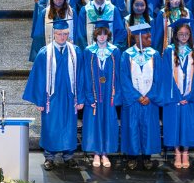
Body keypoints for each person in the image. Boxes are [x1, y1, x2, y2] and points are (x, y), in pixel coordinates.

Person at [24, 19, 83, 170]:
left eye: (65, 34)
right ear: (53, 34)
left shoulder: (75, 52)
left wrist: (81, 98)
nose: (62, 37)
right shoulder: (45, 53)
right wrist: (39, 101)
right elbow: (38, 78)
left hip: (70, 97)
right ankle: (49, 157)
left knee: (69, 126)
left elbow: (82, 77)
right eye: (59, 34)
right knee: (51, 126)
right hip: (51, 98)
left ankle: (68, 156)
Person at [118, 22, 170, 170]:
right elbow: (124, 78)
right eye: (147, 37)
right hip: (133, 101)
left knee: (148, 127)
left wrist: (150, 96)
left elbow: (158, 79)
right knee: (132, 127)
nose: (150, 39)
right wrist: (136, 96)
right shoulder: (126, 55)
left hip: (149, 101)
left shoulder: (154, 55)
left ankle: (147, 157)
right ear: (138, 38)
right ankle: (132, 157)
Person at [79, 20, 121, 169]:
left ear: (108, 35)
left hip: (109, 93)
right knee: (94, 123)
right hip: (94, 94)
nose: (102, 37)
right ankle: (96, 153)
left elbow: (119, 76)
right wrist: (89, 96)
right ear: (95, 34)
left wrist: (116, 96)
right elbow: (84, 75)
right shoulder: (88, 51)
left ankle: (105, 153)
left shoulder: (115, 51)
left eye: (104, 34)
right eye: (99, 34)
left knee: (108, 122)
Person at [162, 19, 194, 169]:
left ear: (190, 35)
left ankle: (185, 152)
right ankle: (177, 152)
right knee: (174, 125)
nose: (184, 37)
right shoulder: (169, 51)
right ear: (176, 35)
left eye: (186, 34)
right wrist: (178, 96)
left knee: (187, 125)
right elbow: (165, 75)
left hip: (190, 98)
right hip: (174, 98)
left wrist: (189, 97)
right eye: (181, 34)